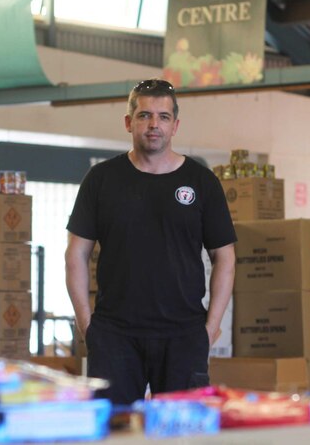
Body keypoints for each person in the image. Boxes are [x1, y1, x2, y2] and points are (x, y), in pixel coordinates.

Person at [64, 78, 236, 405]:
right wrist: (88, 326)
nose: (154, 124)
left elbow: (225, 257)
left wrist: (209, 328)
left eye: (163, 117)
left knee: (183, 436)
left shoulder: (201, 182)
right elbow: (75, 254)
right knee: (113, 433)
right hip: (115, 335)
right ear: (129, 122)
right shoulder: (102, 180)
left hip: (184, 334)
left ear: (175, 126)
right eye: (144, 116)